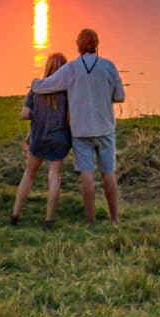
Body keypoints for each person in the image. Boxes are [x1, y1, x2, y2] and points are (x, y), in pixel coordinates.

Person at [33, 28, 126, 225]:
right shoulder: (109, 66)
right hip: (105, 128)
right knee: (108, 173)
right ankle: (115, 219)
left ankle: (90, 220)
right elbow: (120, 96)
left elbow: (45, 85)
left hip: (81, 130)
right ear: (97, 44)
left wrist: (34, 84)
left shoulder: (71, 68)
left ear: (78, 46)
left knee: (87, 174)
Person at [12, 53, 72, 228]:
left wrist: (38, 115)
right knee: (55, 176)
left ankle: (15, 214)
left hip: (38, 136)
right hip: (59, 137)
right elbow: (69, 118)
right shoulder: (67, 92)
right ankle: (49, 219)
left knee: (29, 174)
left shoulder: (36, 87)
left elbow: (24, 114)